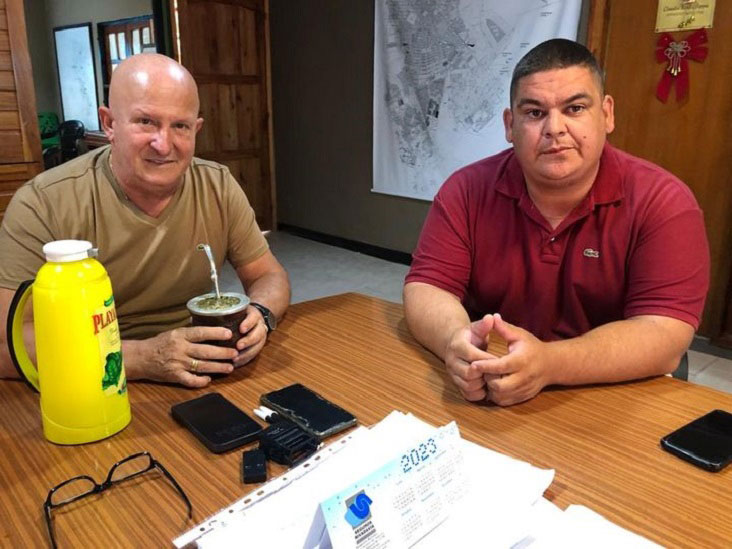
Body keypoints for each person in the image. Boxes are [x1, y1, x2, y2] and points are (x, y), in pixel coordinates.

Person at [403, 39, 709, 406]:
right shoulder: (465, 190)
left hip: (610, 395)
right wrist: (456, 341)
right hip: (493, 386)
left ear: (607, 114)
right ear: (509, 124)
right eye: (534, 113)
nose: (555, 128)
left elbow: (664, 333)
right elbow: (426, 287)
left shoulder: (664, 201)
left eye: (575, 108)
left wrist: (549, 363)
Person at [0, 53, 290, 388]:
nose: (163, 144)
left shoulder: (218, 185)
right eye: (146, 122)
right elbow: (9, 345)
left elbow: (269, 274)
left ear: (196, 130)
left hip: (201, 368)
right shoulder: (44, 202)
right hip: (91, 379)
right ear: (109, 124)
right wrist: (142, 358)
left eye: (179, 126)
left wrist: (261, 314)